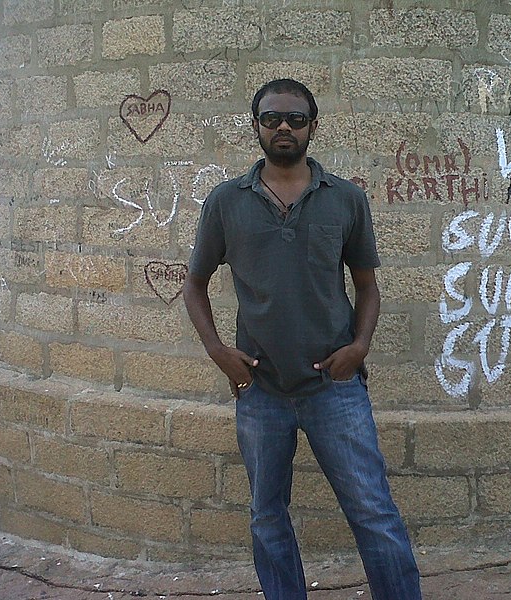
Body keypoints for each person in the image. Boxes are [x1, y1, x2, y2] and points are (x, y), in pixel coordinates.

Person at [183, 78, 422, 600]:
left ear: (314, 126)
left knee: (374, 513)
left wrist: (359, 348)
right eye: (272, 119)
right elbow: (194, 286)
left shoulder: (346, 199)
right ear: (256, 127)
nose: (283, 128)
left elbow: (367, 287)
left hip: (334, 390)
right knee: (268, 518)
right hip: (262, 392)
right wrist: (220, 354)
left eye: (295, 119)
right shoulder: (226, 203)